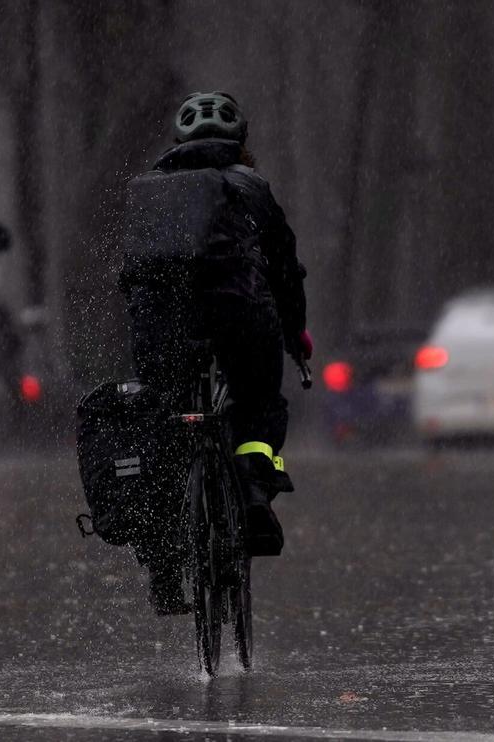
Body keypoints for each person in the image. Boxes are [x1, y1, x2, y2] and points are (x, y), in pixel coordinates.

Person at [118, 91, 311, 614]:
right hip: (239, 313)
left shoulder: (150, 192)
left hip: (162, 324)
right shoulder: (251, 187)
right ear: (239, 145)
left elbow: (130, 276)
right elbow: (284, 271)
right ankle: (251, 490)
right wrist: (296, 334)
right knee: (258, 402)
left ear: (179, 144)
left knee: (163, 422)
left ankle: (161, 565)